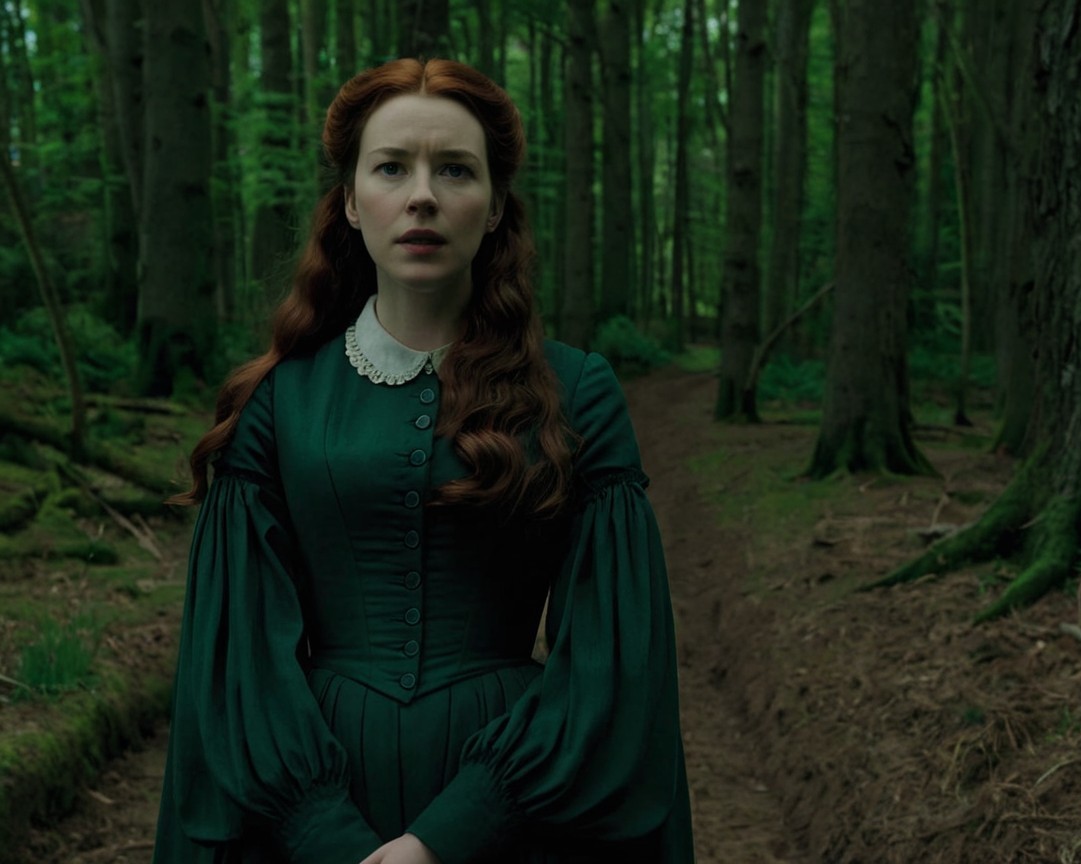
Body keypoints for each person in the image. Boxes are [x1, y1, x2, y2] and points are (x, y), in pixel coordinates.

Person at [152, 57, 695, 864]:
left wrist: (451, 835)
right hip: (310, 809)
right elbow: (237, 661)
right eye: (391, 167)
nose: (422, 196)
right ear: (349, 201)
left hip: (518, 813)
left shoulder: (578, 390)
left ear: (496, 205)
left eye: (455, 170)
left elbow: (614, 660)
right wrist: (325, 834)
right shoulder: (276, 401)